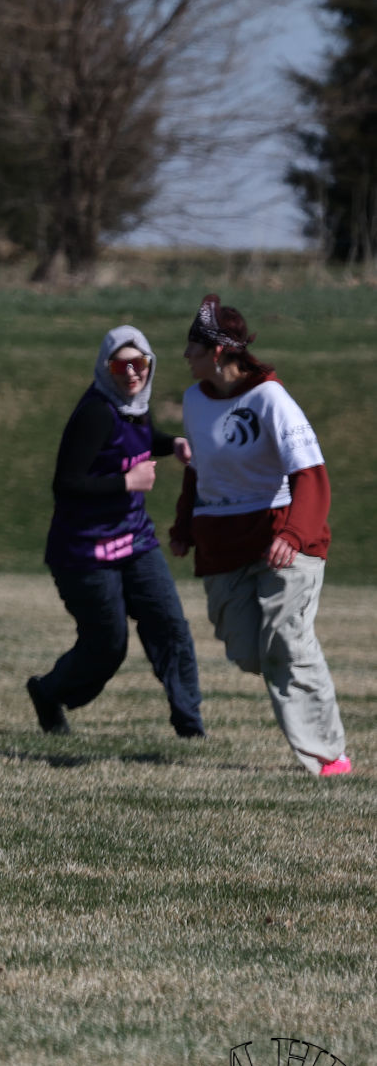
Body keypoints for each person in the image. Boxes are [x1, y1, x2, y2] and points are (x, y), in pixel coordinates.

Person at [168, 295, 350, 777]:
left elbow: (311, 474)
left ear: (218, 352)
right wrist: (184, 526)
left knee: (286, 644)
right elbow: (199, 471)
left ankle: (327, 756)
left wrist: (294, 534)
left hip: (282, 538)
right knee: (250, 652)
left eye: (192, 347)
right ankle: (313, 719)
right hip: (223, 544)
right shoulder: (194, 400)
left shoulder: (270, 398)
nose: (185, 355)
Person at [26, 326, 202, 738]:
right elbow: (66, 483)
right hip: (85, 551)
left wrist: (172, 444)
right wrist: (127, 482)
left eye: (139, 363)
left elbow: (138, 440)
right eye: (120, 366)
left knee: (170, 626)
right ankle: (49, 692)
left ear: (150, 364)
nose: (131, 373)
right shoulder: (97, 412)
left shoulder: (134, 406)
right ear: (106, 369)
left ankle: (189, 724)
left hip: (135, 539)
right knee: (106, 644)